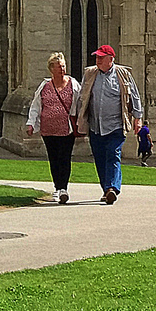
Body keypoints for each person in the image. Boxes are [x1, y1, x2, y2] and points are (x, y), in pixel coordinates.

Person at [75, 45, 143, 204]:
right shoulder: (90, 73)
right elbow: (82, 97)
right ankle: (106, 189)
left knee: (113, 154)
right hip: (95, 125)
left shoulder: (123, 74)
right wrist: (78, 117)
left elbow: (135, 96)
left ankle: (112, 187)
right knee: (99, 158)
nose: (97, 60)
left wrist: (138, 118)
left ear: (111, 59)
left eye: (101, 57)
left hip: (115, 125)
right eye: (96, 57)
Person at [26, 53, 80, 204]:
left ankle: (63, 188)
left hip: (66, 129)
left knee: (65, 157)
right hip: (48, 129)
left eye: (63, 66)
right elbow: (36, 106)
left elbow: (81, 102)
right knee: (54, 158)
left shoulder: (73, 84)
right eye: (58, 67)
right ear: (51, 69)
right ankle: (57, 188)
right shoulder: (45, 86)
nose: (62, 69)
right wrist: (31, 123)